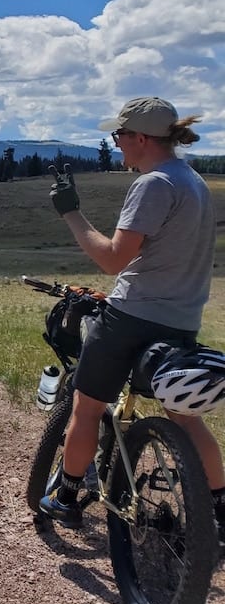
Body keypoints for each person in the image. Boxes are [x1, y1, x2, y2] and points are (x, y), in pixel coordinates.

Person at [40, 97, 225, 537]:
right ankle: (220, 509)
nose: (116, 144)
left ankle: (65, 497)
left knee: (86, 409)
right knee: (184, 416)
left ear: (140, 138)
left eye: (118, 136)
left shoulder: (153, 184)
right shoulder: (194, 182)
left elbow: (112, 259)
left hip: (130, 320)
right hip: (180, 321)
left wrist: (70, 211)